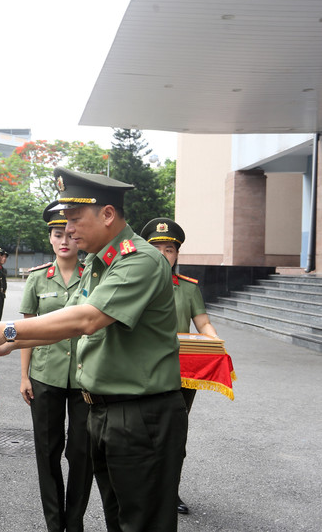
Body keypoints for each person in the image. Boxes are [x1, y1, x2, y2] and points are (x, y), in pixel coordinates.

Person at [0, 166, 187, 532]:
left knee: (142, 523)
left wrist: (7, 328)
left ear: (108, 214)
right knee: (120, 520)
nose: (69, 229)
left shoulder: (139, 260)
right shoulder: (100, 263)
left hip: (141, 415)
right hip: (107, 412)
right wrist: (9, 343)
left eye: (75, 218)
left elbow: (87, 320)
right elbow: (65, 325)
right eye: (65, 221)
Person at [19, 207, 93, 532]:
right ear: (49, 238)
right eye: (57, 234)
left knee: (82, 452)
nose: (64, 241)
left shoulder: (94, 275)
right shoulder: (37, 278)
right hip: (44, 376)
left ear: (78, 237)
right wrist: (24, 376)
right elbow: (26, 331)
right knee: (47, 451)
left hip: (84, 377)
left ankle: (74, 522)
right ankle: (54, 524)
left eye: (69, 235)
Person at [141, 217, 219, 516]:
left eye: (169, 249)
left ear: (177, 254)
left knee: (174, 436)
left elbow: (203, 323)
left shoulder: (187, 289)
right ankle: (141, 489)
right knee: (141, 433)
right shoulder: (133, 285)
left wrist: (214, 342)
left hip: (181, 373)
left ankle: (168, 491)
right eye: (156, 248)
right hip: (141, 371)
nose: (163, 254)